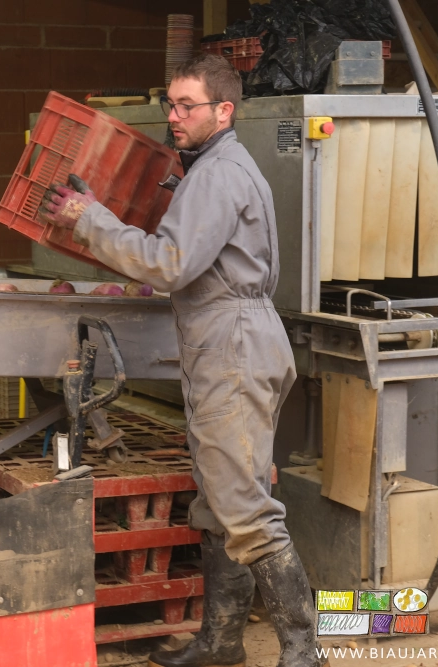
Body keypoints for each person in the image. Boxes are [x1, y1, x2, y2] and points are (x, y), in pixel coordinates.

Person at [41, 54, 324, 667]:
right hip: (226, 342)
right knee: (220, 504)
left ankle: (304, 651)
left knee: (245, 510)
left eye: (186, 105)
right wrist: (103, 215)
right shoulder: (208, 170)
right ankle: (221, 644)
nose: (173, 116)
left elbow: (168, 263)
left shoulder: (219, 174)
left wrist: (89, 221)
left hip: (233, 347)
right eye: (170, 104)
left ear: (224, 110)